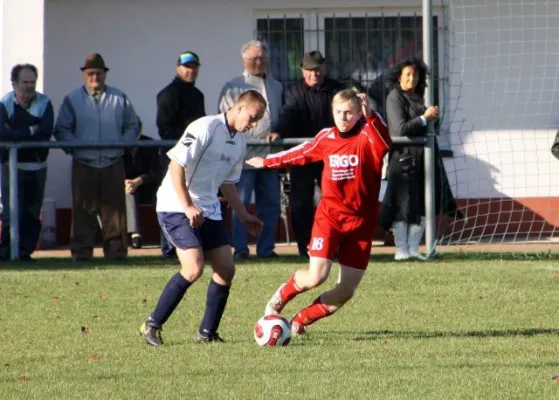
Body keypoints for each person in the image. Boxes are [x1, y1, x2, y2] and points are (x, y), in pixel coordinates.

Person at [246, 89, 391, 336]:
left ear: (359, 113)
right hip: (330, 218)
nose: (343, 117)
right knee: (316, 276)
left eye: (349, 112)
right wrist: (267, 162)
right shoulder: (327, 138)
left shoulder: (369, 135)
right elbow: (300, 154)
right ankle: (281, 297)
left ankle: (301, 320)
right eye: (338, 112)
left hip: (361, 224)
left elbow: (385, 143)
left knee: (345, 291)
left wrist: (372, 116)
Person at [140, 90, 266, 346]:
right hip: (175, 205)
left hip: (208, 209)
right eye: (253, 117)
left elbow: (228, 184)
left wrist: (244, 215)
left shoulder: (239, 142)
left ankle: (207, 333)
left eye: (258, 120)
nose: (253, 125)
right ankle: (152, 325)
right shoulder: (205, 127)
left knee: (226, 270)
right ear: (239, 108)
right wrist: (187, 206)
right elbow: (175, 166)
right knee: (193, 268)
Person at [54, 53, 139, 261]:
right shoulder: (72, 100)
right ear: (84, 75)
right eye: (91, 73)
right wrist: (75, 148)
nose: (95, 77)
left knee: (116, 213)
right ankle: (81, 253)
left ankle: (117, 254)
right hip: (84, 164)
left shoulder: (119, 98)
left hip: (113, 163)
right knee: (83, 211)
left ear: (105, 74)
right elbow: (62, 129)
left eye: (99, 73)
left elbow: (133, 125)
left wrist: (122, 144)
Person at [378, 57, 461, 261]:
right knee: (402, 205)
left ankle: (414, 249)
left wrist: (433, 118)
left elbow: (431, 129)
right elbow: (400, 129)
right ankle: (401, 250)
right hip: (403, 160)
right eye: (407, 74)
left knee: (422, 204)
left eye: (415, 75)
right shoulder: (394, 97)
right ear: (399, 77)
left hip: (423, 158)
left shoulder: (420, 98)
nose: (412, 78)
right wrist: (425, 117)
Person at [276, 50, 345, 258]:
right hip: (303, 156)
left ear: (324, 68)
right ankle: (305, 248)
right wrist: (278, 131)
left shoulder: (336, 89)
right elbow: (287, 115)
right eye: (310, 70)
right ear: (302, 70)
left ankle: (334, 246)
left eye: (318, 69)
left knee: (334, 201)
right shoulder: (293, 91)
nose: (315, 74)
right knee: (300, 204)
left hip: (330, 155)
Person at [218, 40, 283, 260]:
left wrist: (278, 133)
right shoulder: (233, 86)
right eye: (255, 58)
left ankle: (266, 249)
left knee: (271, 204)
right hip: (243, 158)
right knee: (241, 203)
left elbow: (280, 117)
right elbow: (228, 120)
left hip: (269, 157)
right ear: (244, 60)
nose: (260, 62)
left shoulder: (276, 86)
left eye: (263, 58)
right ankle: (240, 249)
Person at [0, 64, 54, 261]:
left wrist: (16, 135)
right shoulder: (4, 103)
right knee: (10, 213)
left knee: (31, 214)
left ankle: (24, 253)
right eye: (25, 82)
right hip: (9, 167)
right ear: (14, 83)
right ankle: (5, 253)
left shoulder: (44, 103)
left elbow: (45, 132)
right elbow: (2, 135)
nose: (29, 87)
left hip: (37, 168)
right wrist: (29, 131)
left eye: (32, 82)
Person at [156, 51, 206, 259]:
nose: (191, 70)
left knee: (192, 197)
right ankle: (168, 248)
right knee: (172, 198)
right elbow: (165, 129)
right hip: (173, 156)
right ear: (178, 68)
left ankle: (188, 244)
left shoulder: (197, 95)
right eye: (187, 67)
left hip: (194, 157)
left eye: (194, 67)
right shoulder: (168, 94)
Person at [123, 118, 160, 249]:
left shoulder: (150, 144)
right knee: (130, 192)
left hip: (149, 186)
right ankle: (135, 234)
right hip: (125, 188)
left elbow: (157, 172)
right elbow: (113, 168)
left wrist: (140, 180)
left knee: (162, 193)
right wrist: (124, 181)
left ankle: (167, 234)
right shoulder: (118, 145)